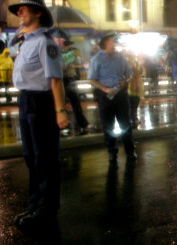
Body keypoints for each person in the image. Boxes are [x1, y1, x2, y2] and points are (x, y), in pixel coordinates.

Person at [8, 0, 70, 229]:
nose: (20, 12)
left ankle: (47, 209)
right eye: (19, 10)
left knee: (45, 158)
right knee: (30, 156)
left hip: (41, 102)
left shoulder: (46, 43)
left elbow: (55, 79)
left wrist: (60, 110)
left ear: (38, 14)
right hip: (26, 99)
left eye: (25, 9)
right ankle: (35, 204)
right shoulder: (26, 42)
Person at [88, 31, 137, 163]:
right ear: (105, 43)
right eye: (112, 41)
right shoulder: (96, 59)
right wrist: (104, 89)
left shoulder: (120, 58)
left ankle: (130, 150)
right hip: (105, 95)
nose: (115, 43)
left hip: (120, 95)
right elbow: (91, 79)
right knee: (107, 125)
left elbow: (129, 74)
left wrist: (125, 81)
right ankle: (112, 152)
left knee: (126, 123)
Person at [61, 41, 89, 135]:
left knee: (75, 102)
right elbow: (62, 67)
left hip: (71, 79)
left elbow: (81, 64)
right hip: (63, 80)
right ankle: (63, 124)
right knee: (64, 103)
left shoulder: (72, 55)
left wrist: (76, 62)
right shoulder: (61, 55)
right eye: (68, 45)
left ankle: (82, 123)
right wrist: (70, 63)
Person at [126, 53, 145, 129]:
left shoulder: (137, 63)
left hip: (138, 85)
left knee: (136, 102)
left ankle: (134, 117)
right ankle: (132, 117)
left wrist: (141, 66)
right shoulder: (127, 63)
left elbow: (142, 72)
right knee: (131, 103)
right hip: (131, 86)